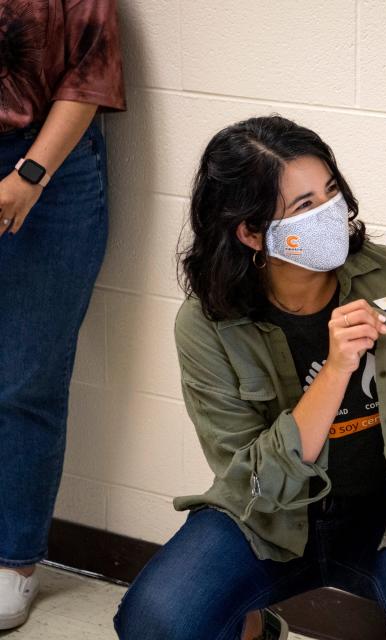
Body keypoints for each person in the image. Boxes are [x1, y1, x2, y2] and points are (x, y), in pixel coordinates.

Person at [114, 115, 386, 640]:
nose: (330, 213)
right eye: (304, 206)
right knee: (155, 621)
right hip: (269, 516)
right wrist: (336, 369)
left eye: (331, 191)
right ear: (250, 231)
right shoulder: (208, 324)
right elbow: (252, 478)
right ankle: (254, 627)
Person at [0, 0, 124, 630]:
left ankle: (12, 561)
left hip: (41, 163)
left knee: (26, 379)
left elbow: (89, 72)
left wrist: (29, 174)